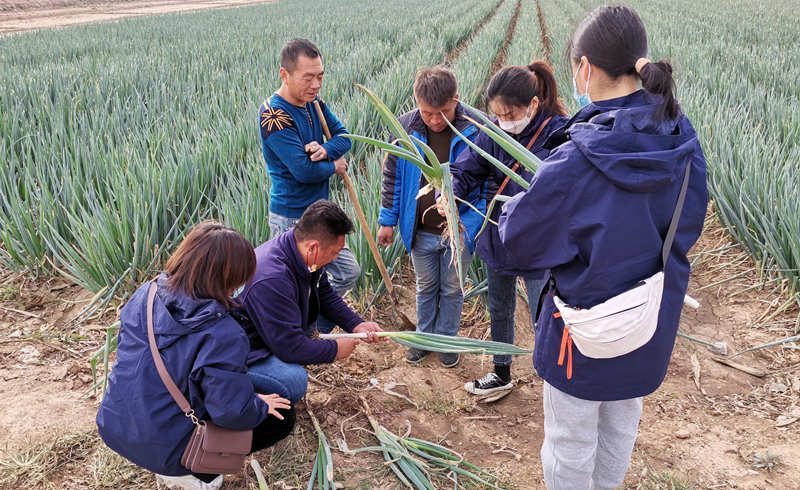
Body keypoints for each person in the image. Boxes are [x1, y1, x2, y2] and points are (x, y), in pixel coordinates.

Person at [497, 6, 708, 489]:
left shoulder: (578, 156)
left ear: (585, 68)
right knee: (619, 428)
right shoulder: (680, 135)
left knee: (571, 443)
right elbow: (690, 221)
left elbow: (521, 242)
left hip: (582, 327)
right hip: (650, 318)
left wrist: (505, 209)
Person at [96, 221, 295, 490]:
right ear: (228, 279)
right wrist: (258, 406)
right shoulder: (222, 333)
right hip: (168, 448)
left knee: (258, 387)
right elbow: (231, 413)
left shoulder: (146, 293)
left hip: (117, 424)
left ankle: (169, 459)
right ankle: (194, 474)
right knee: (281, 415)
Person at [446, 62, 568, 396]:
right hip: (497, 235)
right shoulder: (494, 132)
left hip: (539, 244)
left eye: (510, 113)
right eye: (497, 114)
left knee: (546, 315)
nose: (504, 120)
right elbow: (468, 170)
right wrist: (451, 193)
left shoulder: (559, 133)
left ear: (533, 104)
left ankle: (553, 378)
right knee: (499, 308)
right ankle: (502, 372)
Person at [376, 66, 485, 368]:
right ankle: (424, 338)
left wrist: (470, 228)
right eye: (427, 113)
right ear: (417, 104)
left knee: (452, 289)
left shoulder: (476, 129)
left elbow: (488, 186)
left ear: (456, 100)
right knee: (425, 287)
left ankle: (447, 341)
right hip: (420, 231)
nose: (435, 120)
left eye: (443, 112)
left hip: (459, 231)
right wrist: (387, 220)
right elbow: (392, 178)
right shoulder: (404, 130)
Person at [259, 37, 360, 333]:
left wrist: (327, 150)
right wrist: (335, 166)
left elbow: (345, 136)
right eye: (308, 77)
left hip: (319, 214)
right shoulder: (273, 116)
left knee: (346, 272)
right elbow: (302, 171)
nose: (316, 84)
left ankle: (315, 330)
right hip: (292, 217)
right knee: (296, 287)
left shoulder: (314, 104)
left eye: (320, 76)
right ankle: (299, 339)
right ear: (284, 75)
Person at [238, 200, 384, 403]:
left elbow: (326, 295)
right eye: (334, 252)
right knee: (294, 381)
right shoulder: (273, 278)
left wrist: (356, 324)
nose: (335, 259)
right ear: (314, 247)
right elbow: (289, 347)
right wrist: (335, 351)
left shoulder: (303, 255)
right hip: (244, 350)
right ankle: (243, 392)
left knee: (299, 357)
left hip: (270, 335)